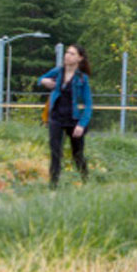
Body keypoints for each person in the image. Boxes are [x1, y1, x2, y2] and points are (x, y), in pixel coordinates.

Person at [37, 45, 94, 185]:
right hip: (56, 118)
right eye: (67, 52)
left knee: (77, 154)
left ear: (79, 58)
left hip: (74, 120)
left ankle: (85, 181)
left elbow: (88, 104)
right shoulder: (58, 71)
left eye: (72, 54)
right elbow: (41, 79)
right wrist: (44, 81)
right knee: (55, 153)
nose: (67, 55)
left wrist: (82, 124)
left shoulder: (82, 78)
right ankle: (53, 186)